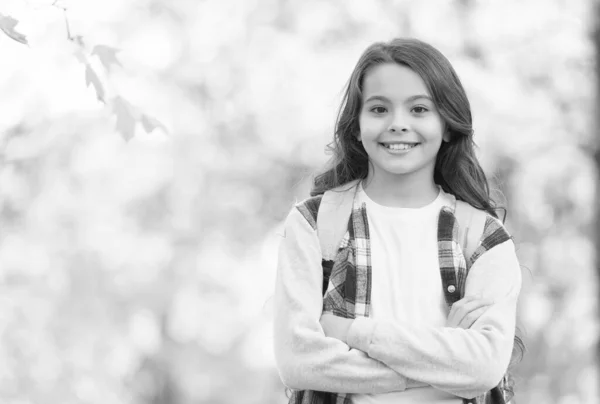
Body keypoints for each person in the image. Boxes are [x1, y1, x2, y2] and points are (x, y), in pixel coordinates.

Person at [273, 38, 524, 404]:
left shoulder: (484, 237)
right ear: (356, 126)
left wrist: (350, 332)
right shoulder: (313, 224)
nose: (398, 124)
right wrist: (444, 365)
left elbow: (484, 368)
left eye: (419, 109)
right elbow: (298, 362)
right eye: (378, 109)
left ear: (448, 124)